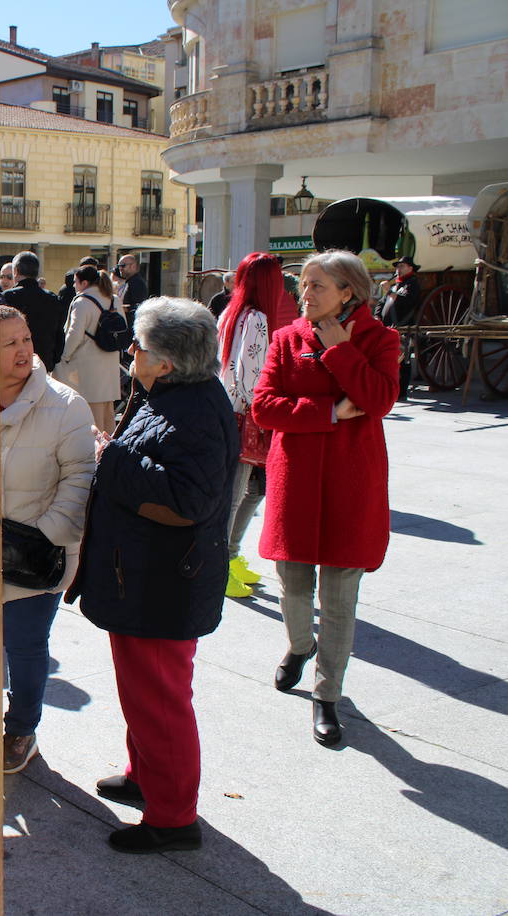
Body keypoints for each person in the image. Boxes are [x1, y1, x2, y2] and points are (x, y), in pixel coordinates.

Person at [72, 297, 238, 854]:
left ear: (166, 362)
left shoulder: (194, 409)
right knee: (143, 694)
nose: (130, 351)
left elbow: (187, 499)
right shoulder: (174, 393)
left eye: (137, 345)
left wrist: (110, 458)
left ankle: (172, 817)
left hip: (163, 583)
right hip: (145, 578)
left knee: (161, 702)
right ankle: (146, 777)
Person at [253, 250, 399, 747]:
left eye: (317, 285)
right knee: (292, 582)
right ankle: (299, 646)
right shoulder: (285, 338)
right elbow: (265, 407)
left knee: (339, 598)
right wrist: (330, 412)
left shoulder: (381, 340)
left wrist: (340, 351)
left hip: (350, 483)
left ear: (348, 292)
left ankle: (327, 695)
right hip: (295, 477)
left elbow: (378, 401)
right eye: (303, 285)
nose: (305, 294)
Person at [0, 304, 94, 773]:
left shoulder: (65, 404)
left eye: (26, 338)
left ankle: (21, 729)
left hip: (36, 557)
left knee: (26, 645)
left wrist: (41, 539)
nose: (22, 350)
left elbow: (79, 479)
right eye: (8, 342)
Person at [217, 253, 289, 599]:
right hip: (248, 414)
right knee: (240, 493)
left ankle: (230, 555)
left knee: (250, 490)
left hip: (231, 412)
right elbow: (250, 375)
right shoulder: (257, 317)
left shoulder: (232, 312)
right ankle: (224, 562)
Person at [54, 266, 122, 434]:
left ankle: (94, 455)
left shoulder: (82, 301)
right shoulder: (113, 299)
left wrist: (64, 357)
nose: (74, 286)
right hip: (111, 363)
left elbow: (74, 334)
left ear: (84, 283)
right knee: (108, 415)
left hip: (88, 366)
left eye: (75, 282)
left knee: (92, 419)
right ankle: (110, 453)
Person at [1, 250, 68, 372]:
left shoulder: (7, 298)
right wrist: (53, 360)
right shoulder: (53, 299)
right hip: (44, 364)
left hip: (15, 364)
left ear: (15, 271)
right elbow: (60, 334)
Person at [379, 256, 420, 400]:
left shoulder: (412, 284)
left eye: (402, 266)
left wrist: (390, 292)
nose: (399, 269)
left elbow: (408, 302)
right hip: (389, 327)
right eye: (398, 266)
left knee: (403, 359)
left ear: (410, 268)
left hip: (403, 325)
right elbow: (382, 303)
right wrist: (378, 316)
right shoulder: (396, 285)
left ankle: (402, 392)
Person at [116, 253, 149, 325]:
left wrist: (119, 308)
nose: (120, 268)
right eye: (119, 266)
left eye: (123, 266)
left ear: (133, 266)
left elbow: (139, 306)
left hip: (133, 326)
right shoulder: (130, 281)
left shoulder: (137, 282)